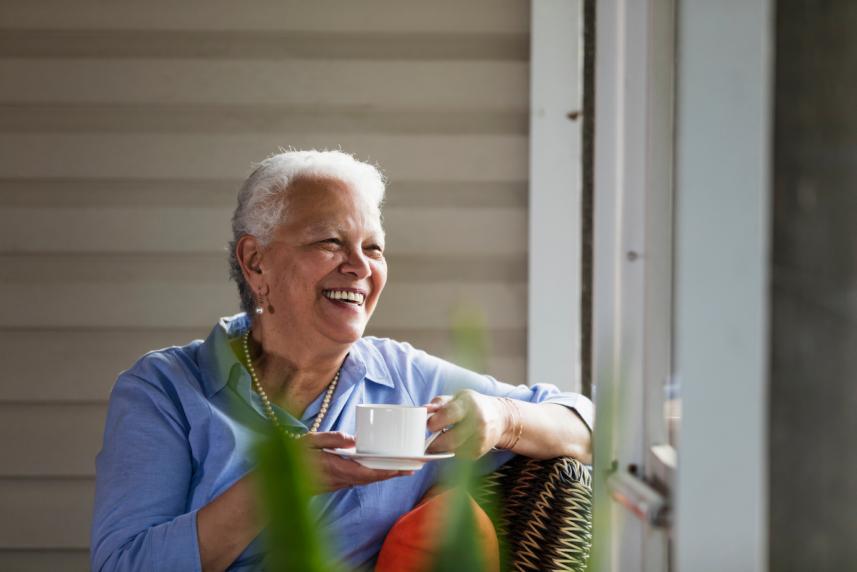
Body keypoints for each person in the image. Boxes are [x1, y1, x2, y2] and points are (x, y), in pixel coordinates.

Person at [90, 150, 593, 571]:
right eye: (330, 242)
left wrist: (504, 418)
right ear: (255, 261)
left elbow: (588, 426)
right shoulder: (166, 389)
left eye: (373, 248)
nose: (359, 267)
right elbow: (122, 563)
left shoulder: (402, 377)